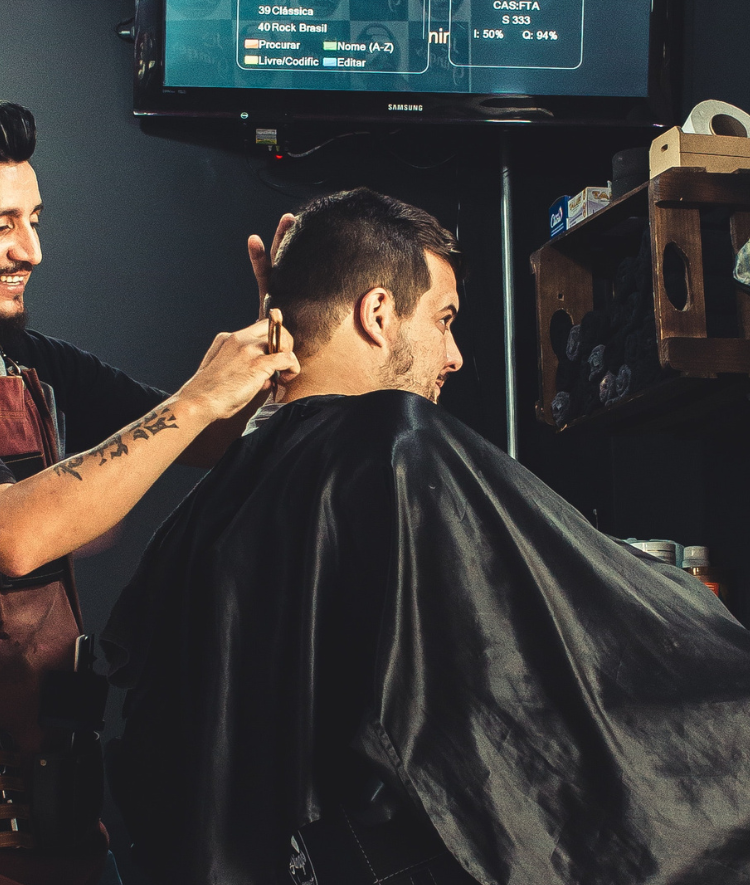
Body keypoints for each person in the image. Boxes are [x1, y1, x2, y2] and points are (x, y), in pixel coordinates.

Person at [105, 189, 750, 885]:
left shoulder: (193, 523)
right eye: (443, 321)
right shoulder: (394, 448)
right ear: (379, 314)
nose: (455, 356)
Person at [0, 100, 298, 885]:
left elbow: (197, 441)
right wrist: (198, 396)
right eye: (3, 225)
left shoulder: (37, 362)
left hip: (52, 803)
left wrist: (277, 341)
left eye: (34, 219)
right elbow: (15, 533)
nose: (31, 249)